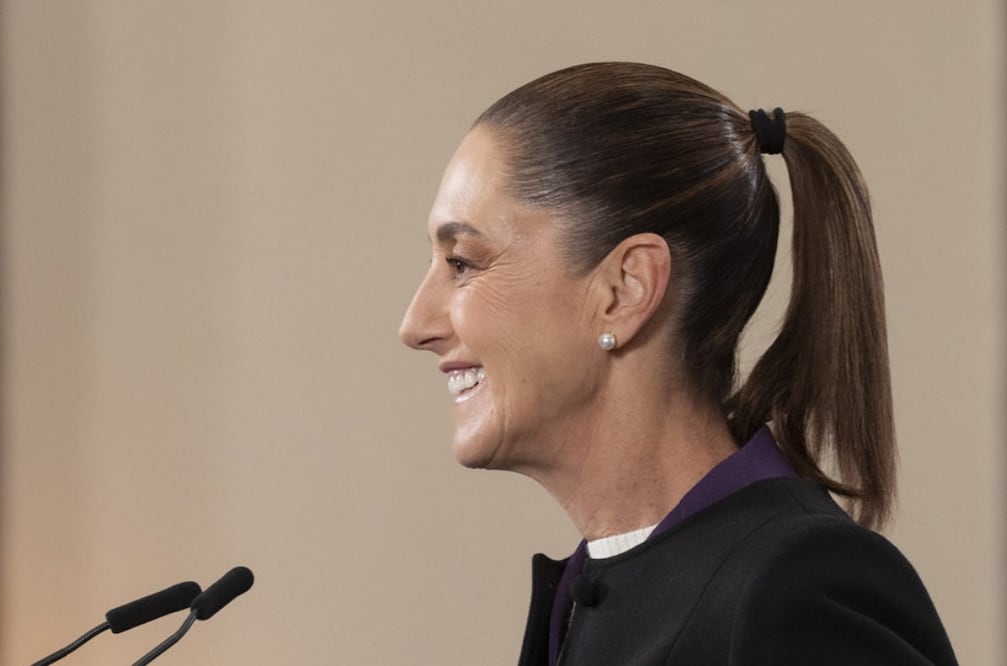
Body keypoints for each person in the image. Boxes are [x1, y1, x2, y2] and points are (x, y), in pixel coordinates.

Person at [399, 62, 957, 665]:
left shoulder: (795, 591)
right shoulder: (601, 589)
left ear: (626, 289)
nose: (415, 326)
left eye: (463, 263)